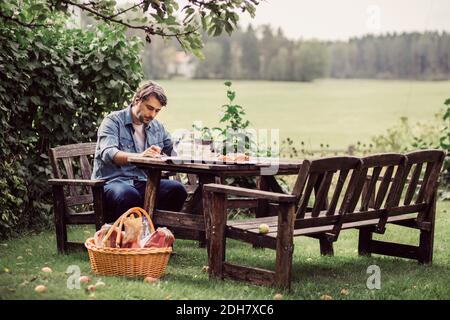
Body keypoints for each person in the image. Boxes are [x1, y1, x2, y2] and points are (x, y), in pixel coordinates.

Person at [91, 81, 188, 222]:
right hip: (112, 183)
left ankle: (155, 235)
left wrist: (192, 149)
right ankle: (130, 239)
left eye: (157, 111)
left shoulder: (156, 127)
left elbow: (173, 149)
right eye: (150, 108)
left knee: (177, 190)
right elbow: (109, 153)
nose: (153, 114)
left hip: (143, 183)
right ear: (137, 100)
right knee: (129, 195)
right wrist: (140, 156)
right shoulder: (113, 121)